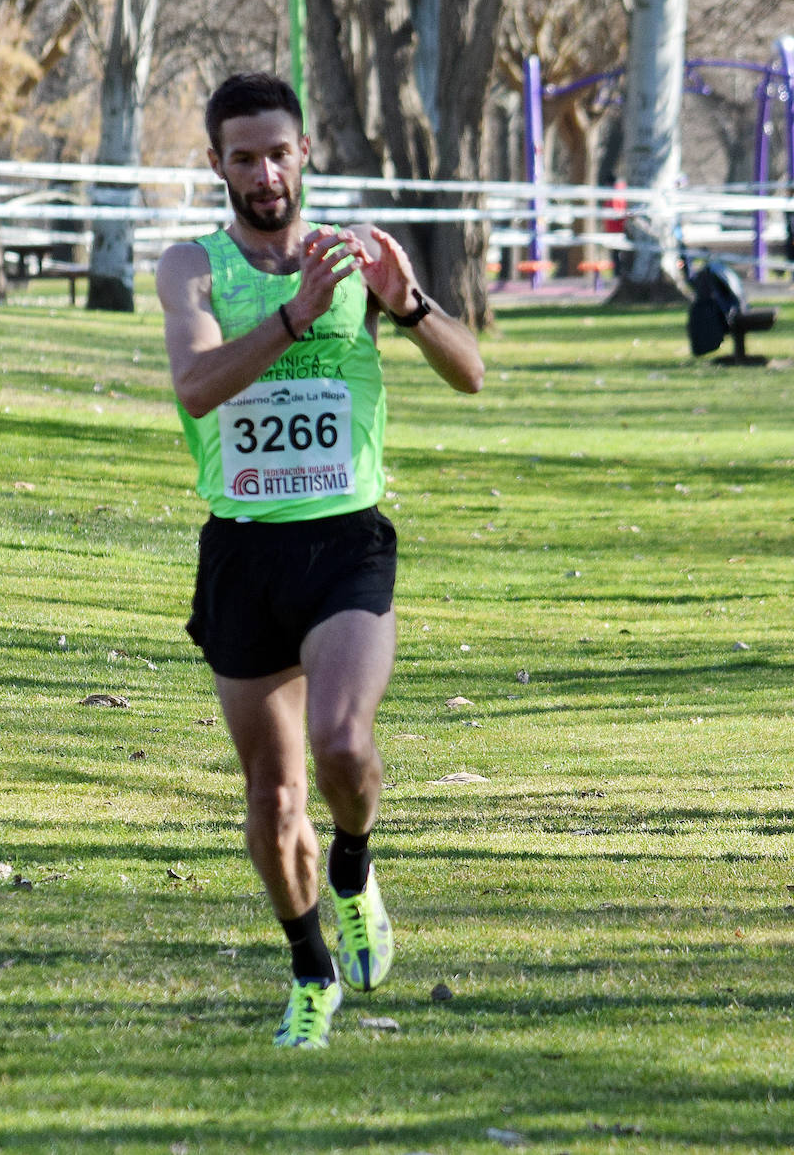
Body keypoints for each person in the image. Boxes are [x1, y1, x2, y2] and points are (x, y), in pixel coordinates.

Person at [155, 72, 485, 1049]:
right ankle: (311, 970)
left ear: (305, 154)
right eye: (243, 156)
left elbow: (471, 375)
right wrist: (296, 315)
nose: (264, 172)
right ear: (217, 163)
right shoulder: (194, 267)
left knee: (342, 744)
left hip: (344, 543)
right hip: (244, 556)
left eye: (279, 151)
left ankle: (354, 864)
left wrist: (411, 303)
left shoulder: (359, 257)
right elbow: (198, 384)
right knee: (271, 794)